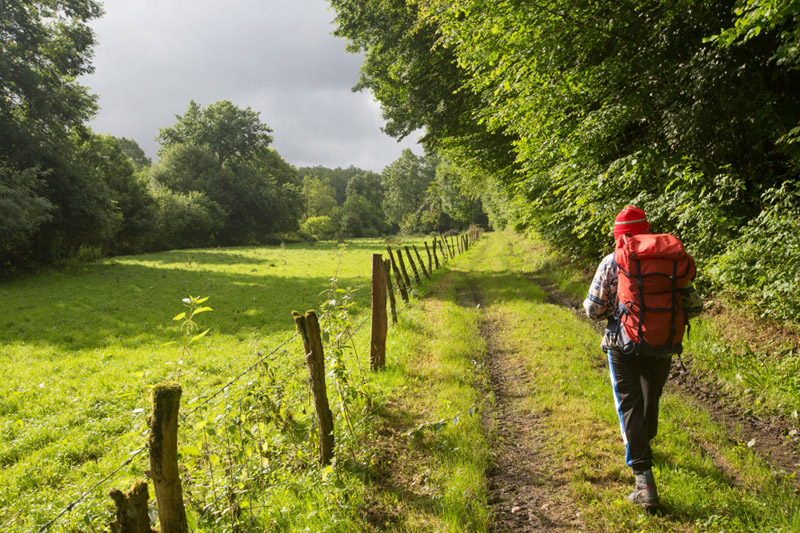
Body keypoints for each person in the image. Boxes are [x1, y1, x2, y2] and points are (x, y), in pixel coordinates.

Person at [583, 206, 702, 509]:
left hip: (622, 344)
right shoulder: (668, 260)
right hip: (662, 342)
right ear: (647, 230)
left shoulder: (613, 261)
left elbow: (593, 309)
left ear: (618, 235)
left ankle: (644, 482)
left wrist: (618, 310)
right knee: (651, 398)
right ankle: (644, 443)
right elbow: (695, 305)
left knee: (629, 406)